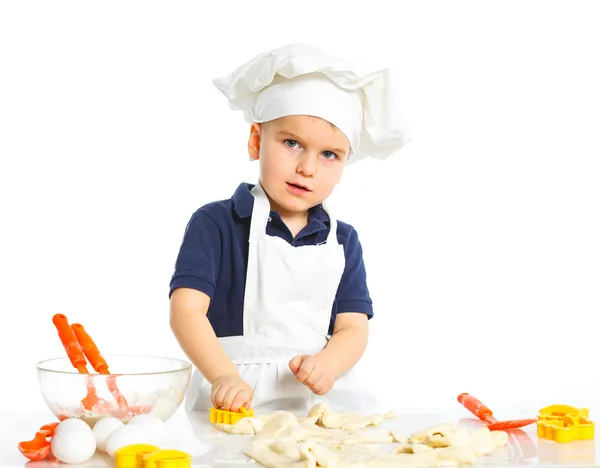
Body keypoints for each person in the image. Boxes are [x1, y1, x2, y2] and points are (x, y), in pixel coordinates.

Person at [169, 43, 408, 415]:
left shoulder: (344, 241)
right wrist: (222, 377)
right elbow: (186, 311)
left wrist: (329, 365)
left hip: (317, 402)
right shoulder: (215, 223)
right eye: (292, 143)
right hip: (235, 397)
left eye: (329, 154)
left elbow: (352, 328)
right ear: (256, 140)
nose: (307, 168)